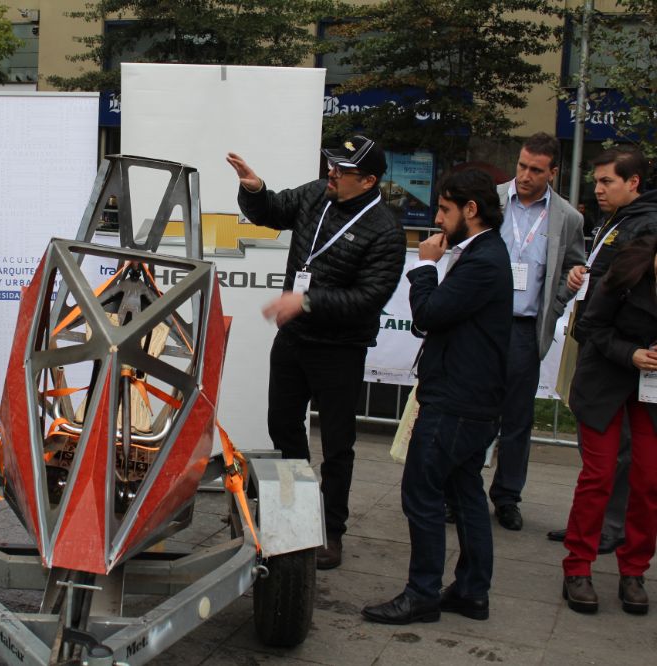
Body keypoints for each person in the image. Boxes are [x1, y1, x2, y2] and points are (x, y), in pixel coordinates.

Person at [226, 135, 406, 570]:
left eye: (342, 170)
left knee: (338, 445)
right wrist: (254, 189)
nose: (332, 173)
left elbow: (368, 297)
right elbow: (271, 211)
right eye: (332, 165)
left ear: (367, 181)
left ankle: (333, 530)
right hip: (293, 342)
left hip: (339, 350)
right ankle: (295, 517)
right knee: (284, 429)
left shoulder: (386, 230)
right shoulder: (314, 195)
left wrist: (306, 301)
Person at [362, 169, 512, 625]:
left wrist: (424, 267)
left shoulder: (484, 259)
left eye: (445, 210)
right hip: (469, 397)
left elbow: (429, 313)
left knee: (422, 492)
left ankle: (423, 593)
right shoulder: (481, 254)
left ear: (471, 210)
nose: (438, 221)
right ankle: (470, 591)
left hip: (457, 401)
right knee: (464, 491)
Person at [547, 146, 657, 552]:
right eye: (596, 181)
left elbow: (631, 288)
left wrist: (626, 347)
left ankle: (611, 526)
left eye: (607, 181)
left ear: (633, 183)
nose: (598, 189)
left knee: (622, 452)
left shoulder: (644, 224)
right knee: (600, 456)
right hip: (598, 343)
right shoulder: (621, 218)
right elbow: (607, 275)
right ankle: (592, 523)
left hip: (618, 355)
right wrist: (583, 276)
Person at [488, 133, 585, 531]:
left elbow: (573, 266)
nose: (525, 176)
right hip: (482, 324)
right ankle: (456, 491)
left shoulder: (568, 217)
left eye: (535, 170)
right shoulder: (491, 199)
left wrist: (558, 302)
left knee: (517, 418)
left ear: (553, 173)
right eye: (522, 166)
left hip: (525, 329)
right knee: (473, 411)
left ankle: (507, 496)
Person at [562, 236, 657, 615]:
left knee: (649, 480)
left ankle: (633, 571)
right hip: (604, 382)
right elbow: (590, 327)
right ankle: (577, 567)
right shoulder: (627, 269)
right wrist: (630, 353)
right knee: (600, 475)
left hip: (649, 394)